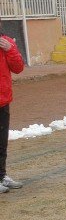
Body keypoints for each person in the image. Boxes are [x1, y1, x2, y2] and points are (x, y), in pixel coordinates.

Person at [0, 24, 24, 193]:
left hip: (3, 100)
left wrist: (10, 50)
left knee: (2, 143)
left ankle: (2, 175)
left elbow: (18, 68)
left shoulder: (6, 43)